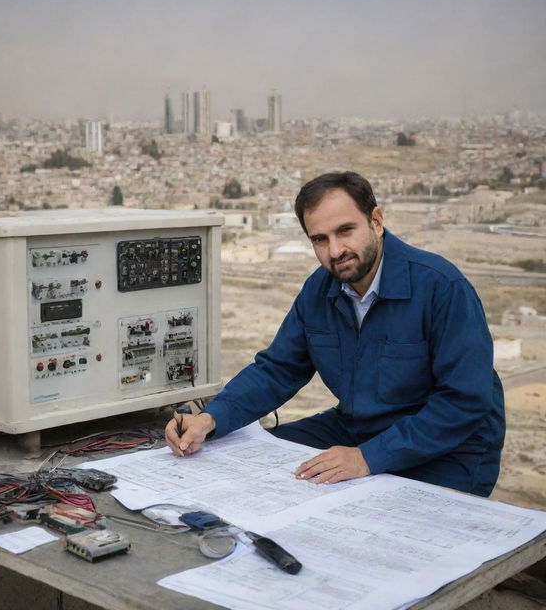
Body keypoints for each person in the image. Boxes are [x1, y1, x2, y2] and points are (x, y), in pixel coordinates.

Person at [165, 171, 505, 496]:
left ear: (376, 221)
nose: (335, 250)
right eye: (320, 239)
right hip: (357, 428)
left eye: (345, 231)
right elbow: (278, 369)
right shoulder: (320, 289)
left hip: (449, 448)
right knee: (254, 464)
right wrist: (210, 419)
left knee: (379, 519)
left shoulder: (441, 287)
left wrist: (368, 458)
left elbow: (464, 401)